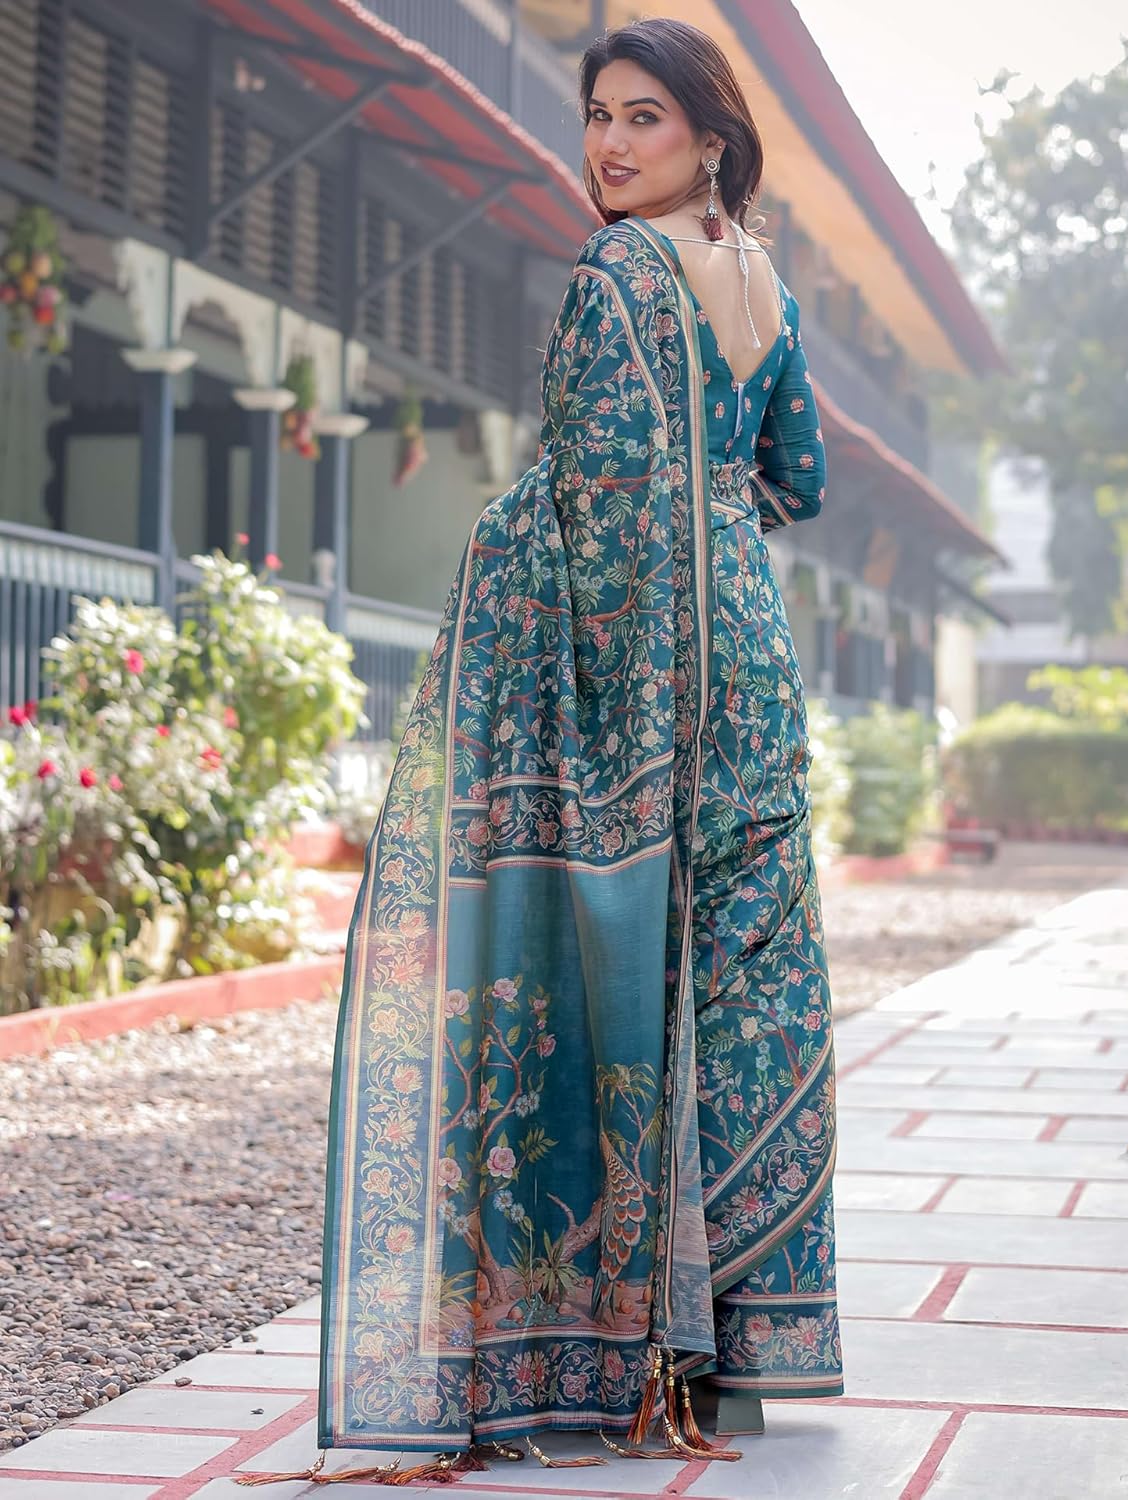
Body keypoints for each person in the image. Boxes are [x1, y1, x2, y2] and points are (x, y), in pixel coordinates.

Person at [237, 14, 840, 1489]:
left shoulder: (616, 271)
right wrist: (706, 519)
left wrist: (526, 577)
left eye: (644, 118)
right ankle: (729, 1361)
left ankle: (610, 1350)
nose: (610, 145)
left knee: (616, 970)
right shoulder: (765, 281)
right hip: (747, 666)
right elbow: (797, 478)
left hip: (632, 666)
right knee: (735, 985)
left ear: (710, 137)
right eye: (599, 116)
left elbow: (584, 489)